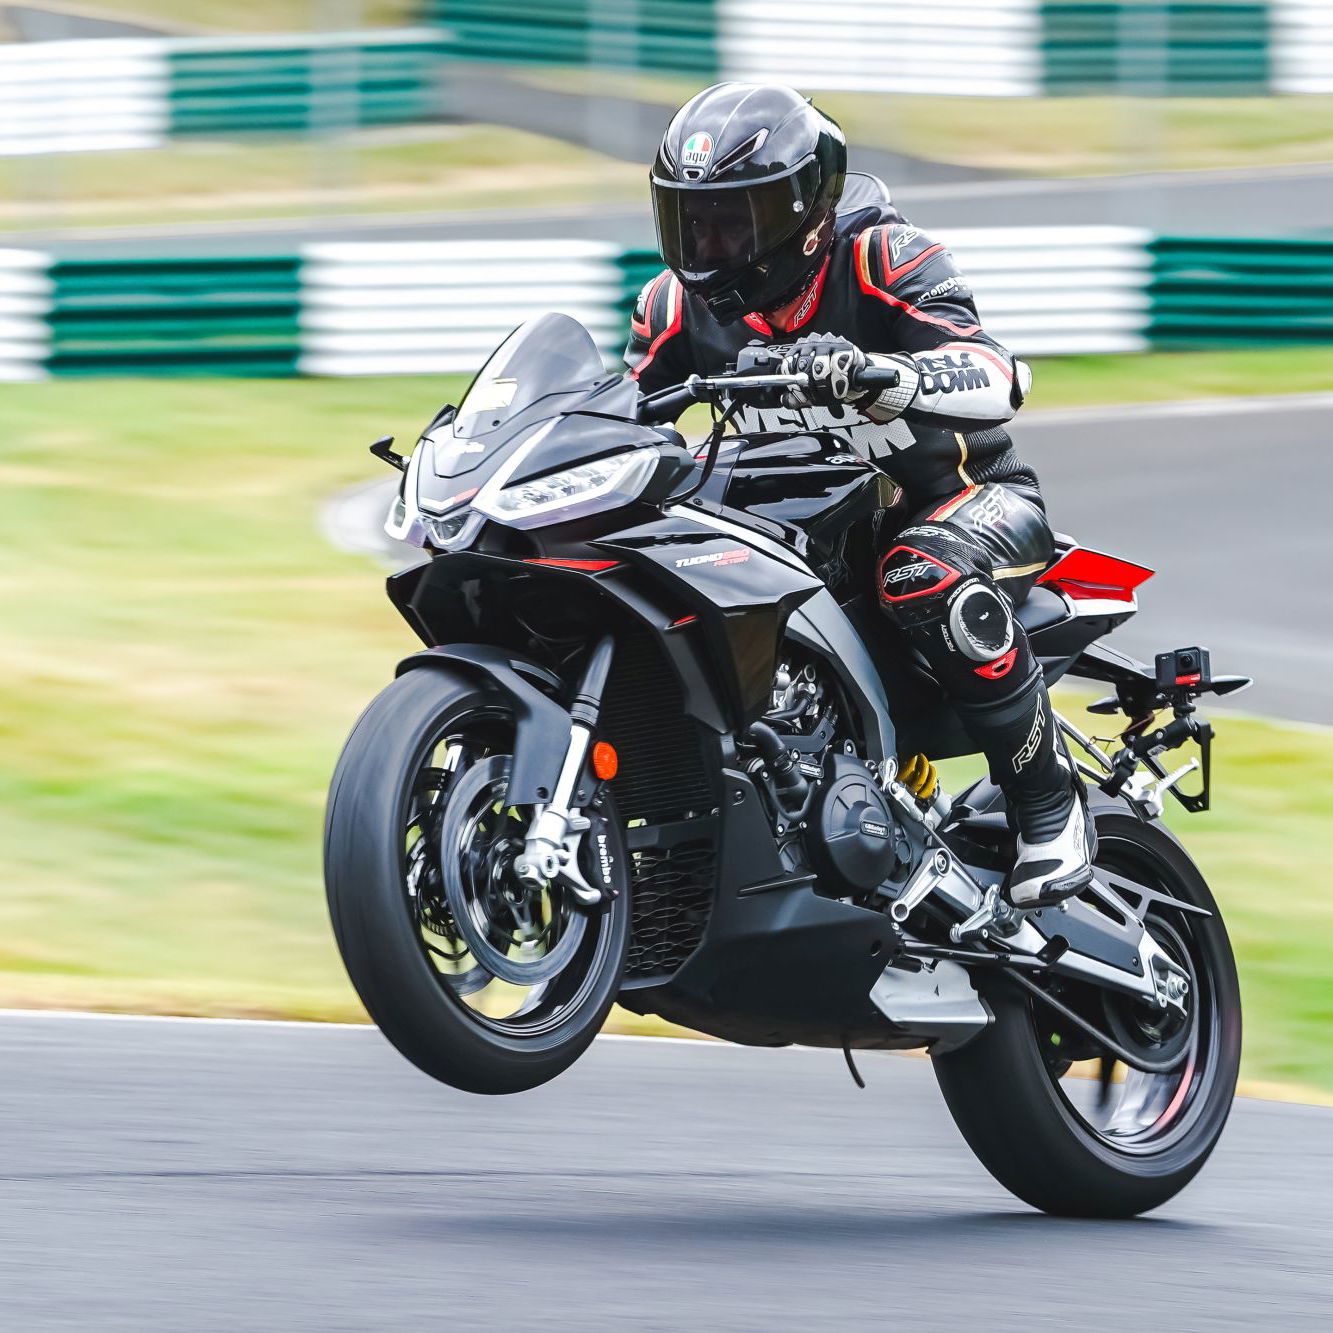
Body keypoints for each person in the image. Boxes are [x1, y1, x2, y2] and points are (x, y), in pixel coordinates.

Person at [625, 82, 1094, 909]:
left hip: (962, 501)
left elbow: (999, 375)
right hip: (812, 540)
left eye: (735, 219)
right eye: (691, 220)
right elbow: (619, 411)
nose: (709, 244)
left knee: (920, 572)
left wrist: (892, 376)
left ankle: (1046, 803)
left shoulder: (886, 257)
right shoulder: (672, 306)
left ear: (805, 211)